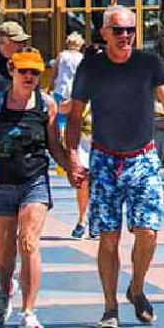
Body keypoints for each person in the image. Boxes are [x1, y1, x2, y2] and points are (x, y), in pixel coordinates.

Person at [65, 5, 164, 328]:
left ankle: (136, 288)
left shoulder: (149, 64)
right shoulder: (91, 67)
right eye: (118, 30)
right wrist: (72, 157)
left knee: (148, 232)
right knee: (108, 238)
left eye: (130, 30)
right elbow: (76, 114)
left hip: (143, 158)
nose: (125, 36)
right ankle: (109, 307)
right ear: (105, 32)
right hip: (105, 160)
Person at [0, 49, 66, 328]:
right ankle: (4, 287)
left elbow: (54, 145)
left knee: (29, 242)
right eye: (24, 71)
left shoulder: (46, 105)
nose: (29, 77)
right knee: (4, 249)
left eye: (35, 73)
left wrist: (71, 169)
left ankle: (28, 312)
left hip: (34, 180)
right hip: (1, 180)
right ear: (12, 70)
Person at [52, 33, 88, 237]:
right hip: (75, 99)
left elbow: (57, 73)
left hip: (64, 92)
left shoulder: (62, 55)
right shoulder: (82, 60)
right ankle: (85, 219)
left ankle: (87, 220)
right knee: (84, 177)